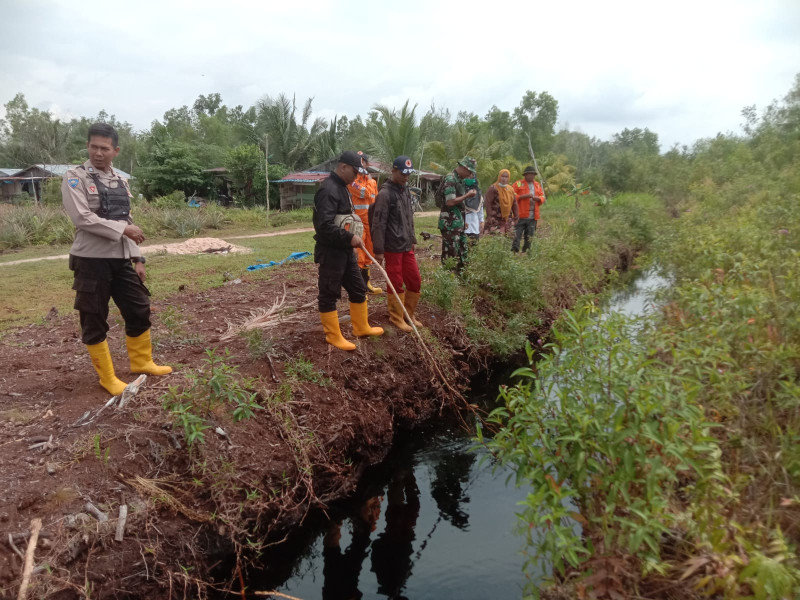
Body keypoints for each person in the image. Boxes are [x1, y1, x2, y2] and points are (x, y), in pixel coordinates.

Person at [62, 123, 172, 396]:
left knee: (138, 307)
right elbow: (82, 218)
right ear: (88, 146)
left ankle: (142, 361)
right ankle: (108, 377)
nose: (98, 153)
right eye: (93, 147)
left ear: (115, 150)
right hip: (91, 259)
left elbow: (127, 219)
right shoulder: (75, 178)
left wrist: (138, 257)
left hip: (121, 259)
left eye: (104, 148)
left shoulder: (120, 181)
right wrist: (124, 229)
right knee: (94, 317)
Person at [313, 151, 384, 351]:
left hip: (346, 251)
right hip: (331, 252)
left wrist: (351, 241)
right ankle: (333, 336)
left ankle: (361, 327)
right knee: (329, 293)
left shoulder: (343, 188)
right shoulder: (328, 190)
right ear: (343, 167)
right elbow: (324, 226)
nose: (357, 177)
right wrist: (349, 238)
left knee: (358, 287)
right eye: (355, 172)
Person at [371, 156, 422, 332]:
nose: (405, 177)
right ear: (393, 171)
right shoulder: (385, 194)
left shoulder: (405, 191)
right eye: (402, 173)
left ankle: (409, 315)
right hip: (392, 247)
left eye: (408, 174)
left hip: (407, 245)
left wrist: (412, 238)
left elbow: (409, 217)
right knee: (396, 282)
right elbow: (378, 223)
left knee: (415, 280)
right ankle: (396, 317)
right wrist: (378, 250)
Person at [350, 151, 383, 295]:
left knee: (369, 254)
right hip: (358, 223)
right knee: (359, 256)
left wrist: (370, 183)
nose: (361, 164)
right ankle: (359, 288)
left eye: (362, 161)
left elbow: (374, 196)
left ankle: (367, 284)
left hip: (370, 222)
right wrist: (371, 182)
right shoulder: (352, 180)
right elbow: (366, 193)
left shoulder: (368, 180)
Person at [438, 156, 478, 274]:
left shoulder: (459, 180)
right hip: (449, 224)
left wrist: (462, 220)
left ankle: (460, 278)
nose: (470, 174)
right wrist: (467, 196)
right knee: (450, 254)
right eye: (469, 171)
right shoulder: (451, 179)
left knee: (462, 252)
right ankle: (447, 280)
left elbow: (458, 206)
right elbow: (450, 202)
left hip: (457, 223)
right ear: (463, 168)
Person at [511, 165, 545, 253]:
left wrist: (539, 199)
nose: (532, 176)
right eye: (529, 174)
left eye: (533, 174)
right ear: (525, 175)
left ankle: (526, 252)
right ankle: (514, 251)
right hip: (520, 215)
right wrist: (524, 196)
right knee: (517, 234)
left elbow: (542, 196)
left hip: (533, 216)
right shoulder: (518, 183)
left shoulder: (537, 185)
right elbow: (512, 196)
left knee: (530, 235)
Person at [484, 168, 517, 234]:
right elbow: (488, 203)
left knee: (508, 238)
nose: (504, 178)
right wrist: (489, 216)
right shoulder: (493, 188)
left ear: (508, 178)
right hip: (495, 218)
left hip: (507, 218)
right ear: (499, 177)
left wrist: (516, 216)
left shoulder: (510, 189)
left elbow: (514, 203)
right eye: (502, 176)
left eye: (506, 177)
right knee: (495, 237)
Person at [463, 175, 484, 244]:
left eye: (471, 178)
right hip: (464, 226)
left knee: (474, 246)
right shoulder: (461, 192)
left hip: (475, 226)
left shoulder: (478, 193)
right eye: (467, 177)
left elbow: (480, 210)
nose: (469, 179)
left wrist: (481, 220)